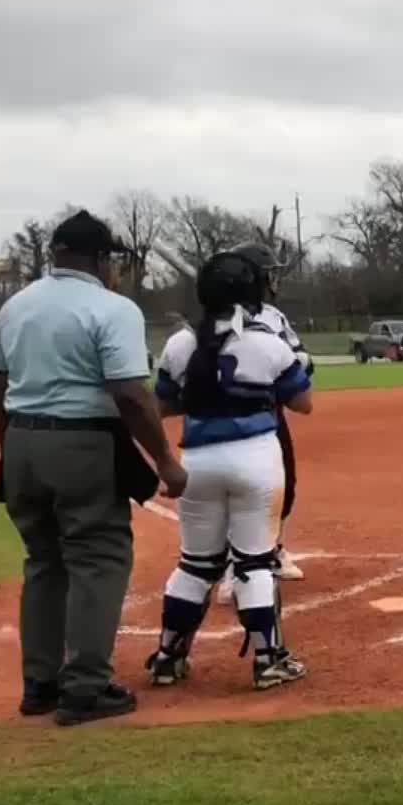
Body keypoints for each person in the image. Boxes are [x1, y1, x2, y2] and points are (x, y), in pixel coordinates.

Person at [0, 211, 187, 726]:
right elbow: (129, 394)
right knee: (97, 558)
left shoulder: (16, 304)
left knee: (44, 563)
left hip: (24, 440)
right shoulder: (112, 308)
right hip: (83, 442)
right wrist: (165, 460)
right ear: (101, 259)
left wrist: (13, 443)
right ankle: (86, 688)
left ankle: (40, 684)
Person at [145, 245, 314, 692]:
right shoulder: (267, 342)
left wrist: (204, 393)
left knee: (195, 564)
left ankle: (167, 657)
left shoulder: (181, 343)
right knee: (255, 561)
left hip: (198, 461)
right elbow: (303, 403)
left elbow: (161, 405)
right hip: (256, 457)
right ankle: (268, 659)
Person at [215, 246, 307, 604]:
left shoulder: (273, 317)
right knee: (238, 491)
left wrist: (298, 361)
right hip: (226, 414)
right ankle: (232, 568)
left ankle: (273, 549)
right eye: (269, 272)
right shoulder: (216, 318)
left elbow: (298, 359)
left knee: (284, 486)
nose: (274, 279)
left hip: (269, 413)